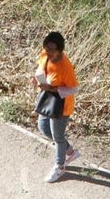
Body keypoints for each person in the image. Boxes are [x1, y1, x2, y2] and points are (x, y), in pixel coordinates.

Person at [31, 31, 80, 183]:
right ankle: (70, 151)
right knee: (43, 126)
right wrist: (36, 78)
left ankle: (60, 167)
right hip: (48, 99)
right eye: (47, 48)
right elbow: (41, 68)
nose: (49, 52)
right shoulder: (45, 55)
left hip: (61, 106)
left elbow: (74, 89)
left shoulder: (65, 67)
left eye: (53, 50)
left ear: (60, 50)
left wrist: (53, 89)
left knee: (58, 137)